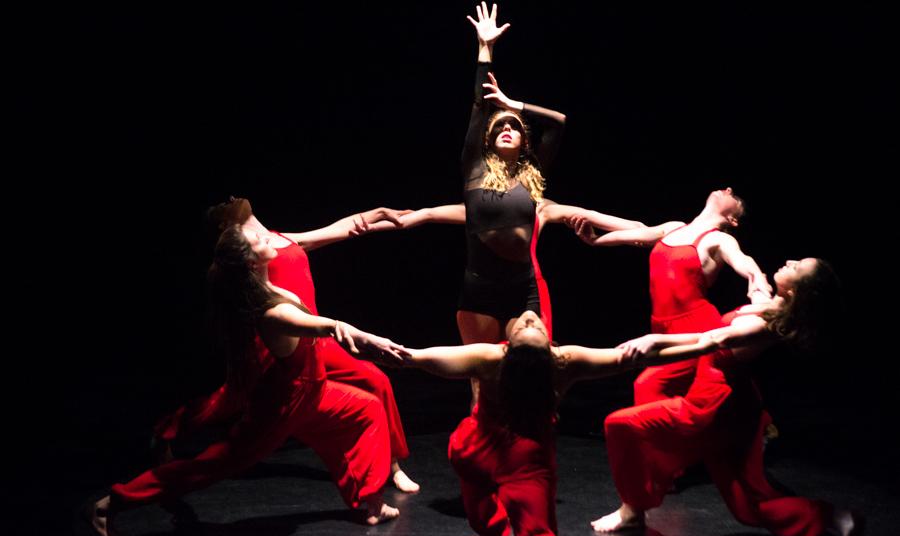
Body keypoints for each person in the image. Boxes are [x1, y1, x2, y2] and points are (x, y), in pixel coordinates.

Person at [91, 225, 406, 536]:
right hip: (283, 406)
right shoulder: (271, 311)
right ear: (252, 263)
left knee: (369, 408)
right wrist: (368, 339)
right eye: (257, 239)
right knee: (213, 465)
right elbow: (330, 327)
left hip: (315, 390)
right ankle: (111, 503)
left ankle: (371, 503)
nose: (265, 236)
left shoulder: (274, 290)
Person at [362, 2, 643, 346]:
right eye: (500, 127)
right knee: (482, 382)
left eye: (514, 126)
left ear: (525, 140)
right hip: (479, 288)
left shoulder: (531, 175)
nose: (507, 127)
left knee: (528, 370)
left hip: (523, 290)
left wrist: (512, 104)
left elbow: (559, 123)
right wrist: (485, 49)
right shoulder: (475, 170)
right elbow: (481, 106)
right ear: (489, 140)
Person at [401, 308, 714, 536]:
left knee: (478, 504)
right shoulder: (562, 362)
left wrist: (369, 342)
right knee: (537, 525)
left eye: (529, 324)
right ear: (549, 346)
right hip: (528, 457)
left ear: (508, 347)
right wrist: (705, 344)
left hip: (477, 448)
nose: (530, 317)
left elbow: (416, 358)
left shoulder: (490, 357)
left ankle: (493, 535)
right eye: (532, 324)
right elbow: (632, 358)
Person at [592, 258, 865, 536]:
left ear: (798, 291)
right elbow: (755, 285)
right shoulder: (772, 304)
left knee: (620, 425)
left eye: (797, 266)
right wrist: (753, 276)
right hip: (736, 407)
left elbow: (709, 340)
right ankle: (837, 516)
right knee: (749, 507)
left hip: (711, 407)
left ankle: (632, 509)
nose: (790, 261)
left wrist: (654, 342)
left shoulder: (766, 325)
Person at [156, 197, 421, 492]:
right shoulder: (247, 251)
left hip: (314, 339)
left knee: (377, 381)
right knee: (228, 401)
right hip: (281, 344)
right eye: (225, 202)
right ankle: (167, 431)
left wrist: (379, 214)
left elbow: (341, 228)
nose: (233, 197)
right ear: (223, 222)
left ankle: (393, 464)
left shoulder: (279, 239)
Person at [567, 187, 772, 406]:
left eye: (735, 196)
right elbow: (635, 235)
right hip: (660, 326)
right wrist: (596, 241)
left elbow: (744, 261)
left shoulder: (720, 240)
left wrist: (758, 281)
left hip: (695, 327)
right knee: (676, 396)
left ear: (733, 220)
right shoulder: (674, 228)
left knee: (648, 388)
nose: (728, 189)